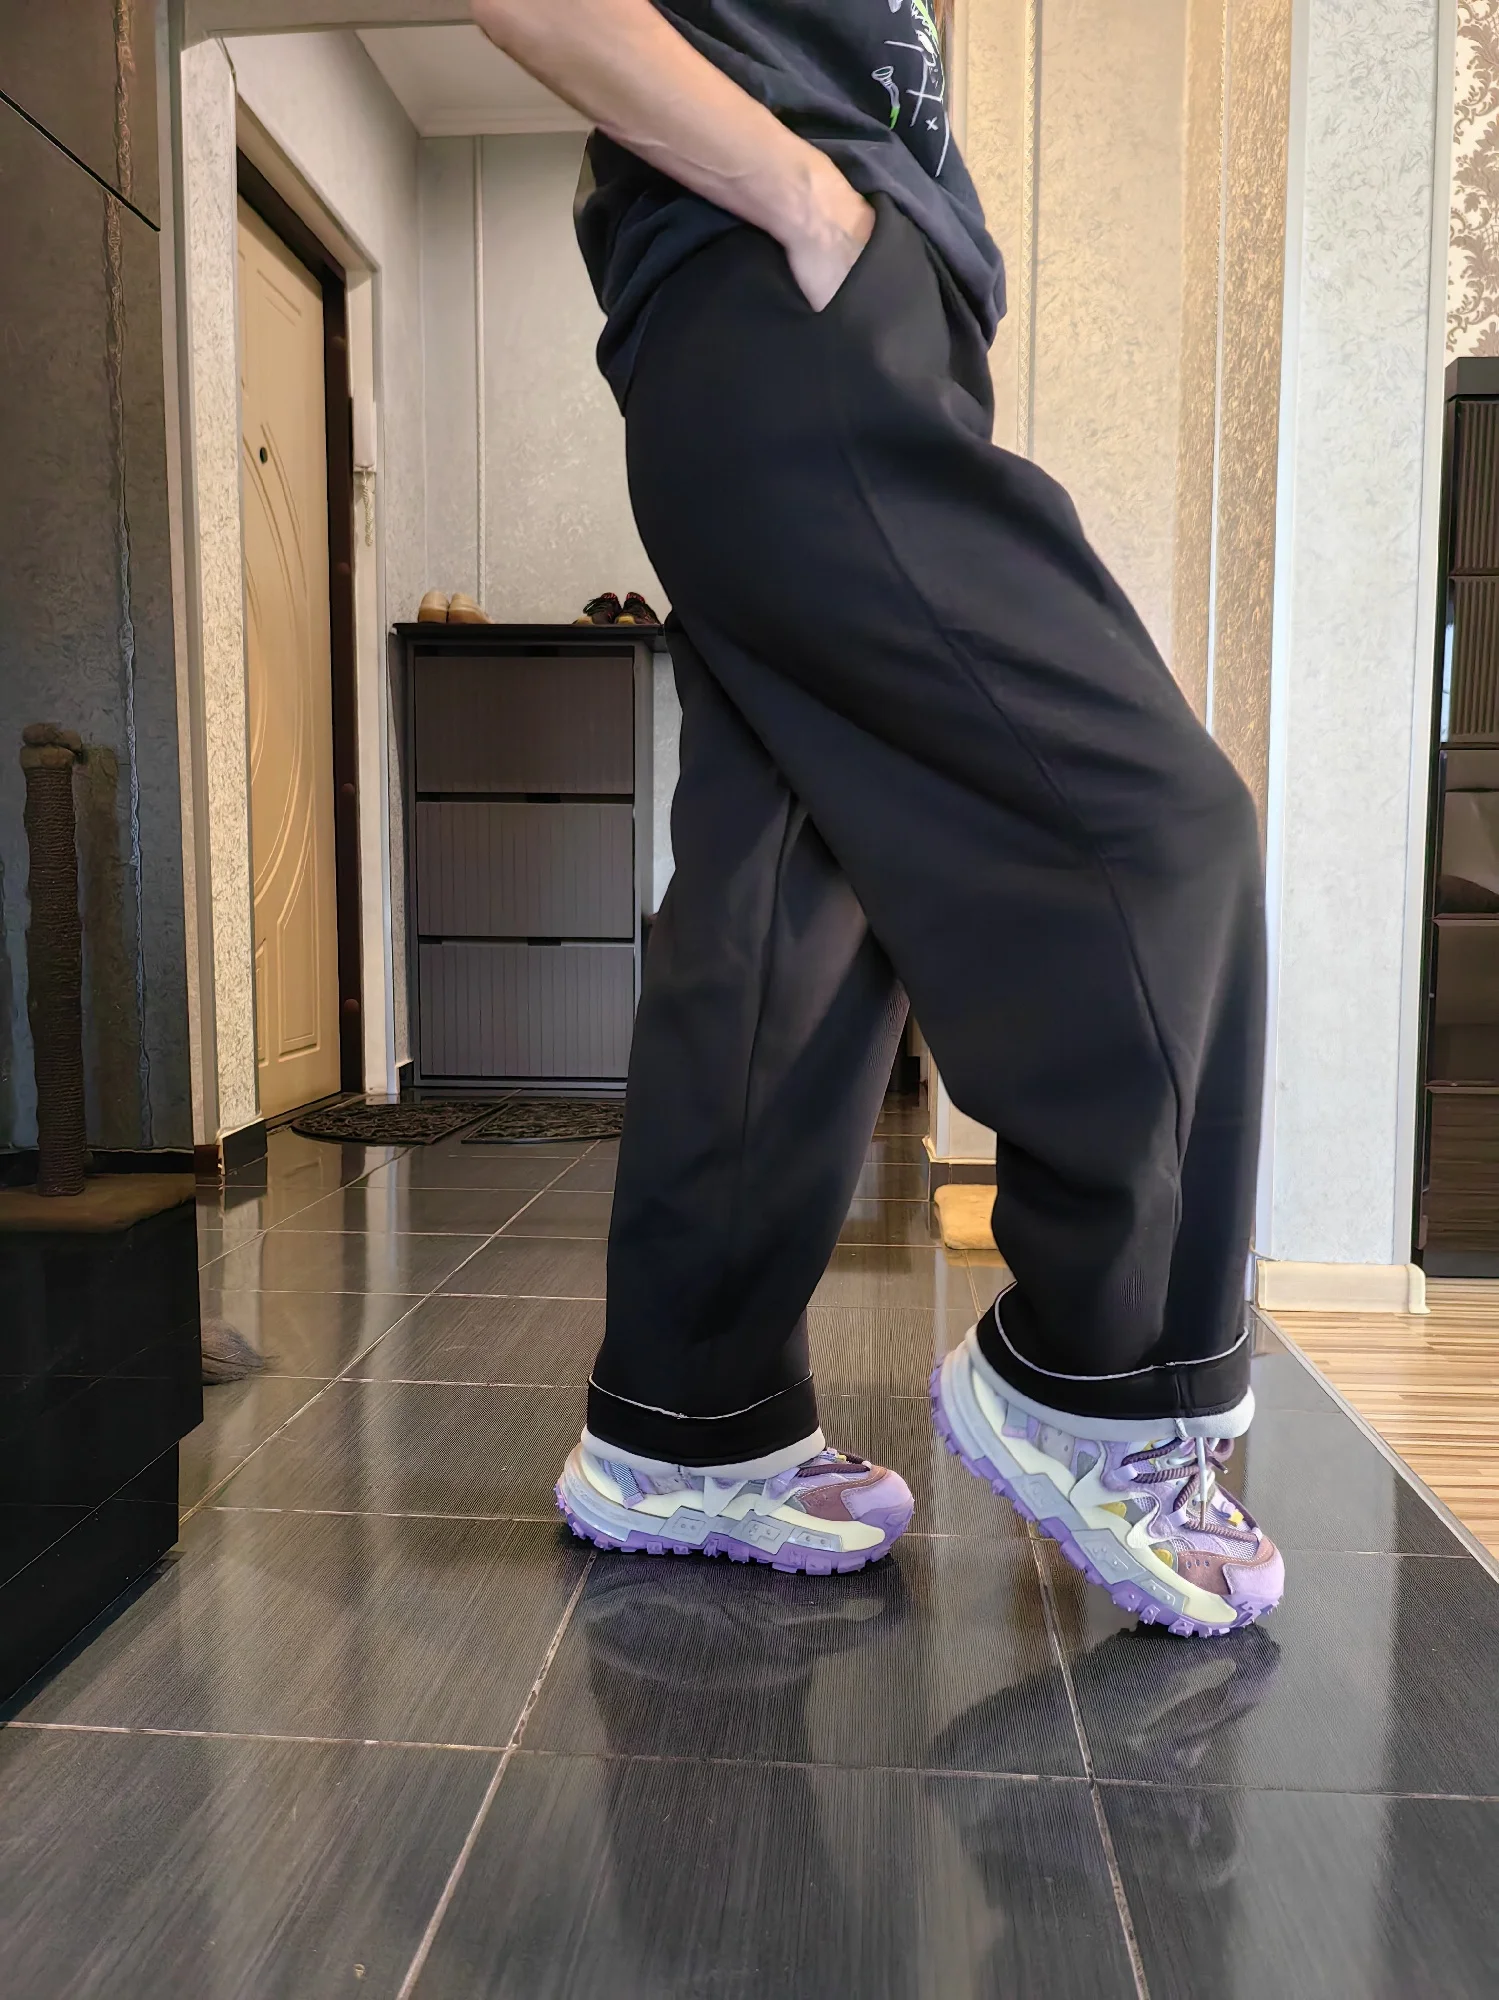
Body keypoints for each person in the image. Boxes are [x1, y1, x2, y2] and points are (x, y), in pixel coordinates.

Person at [472, 0, 1283, 1635]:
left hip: (776, 322)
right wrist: (804, 199)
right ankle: (1096, 1381)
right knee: (1159, 823)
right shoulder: (793, 211)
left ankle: (682, 1426)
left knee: (787, 904)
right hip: (786, 296)